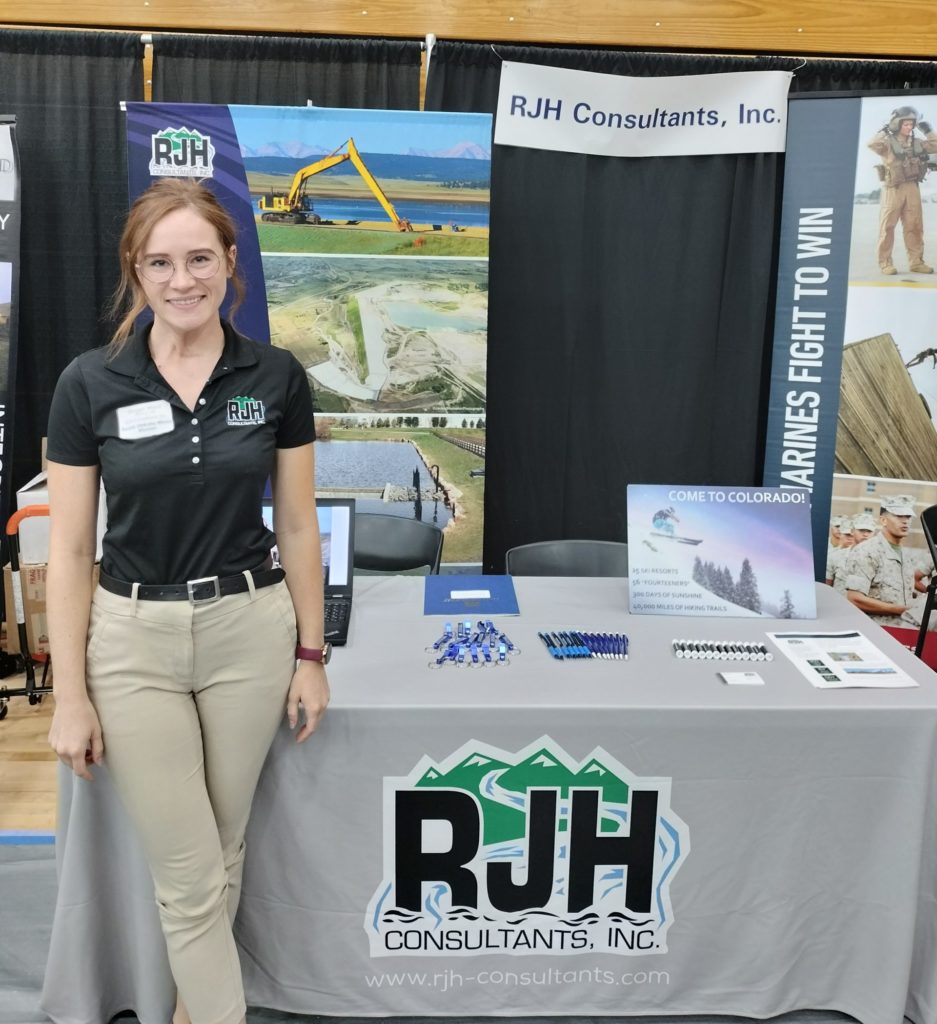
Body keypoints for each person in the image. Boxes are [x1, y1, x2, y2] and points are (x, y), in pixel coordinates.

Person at [45, 178, 330, 1024]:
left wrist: (311, 656)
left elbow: (302, 528)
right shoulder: (88, 385)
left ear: (231, 263)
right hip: (133, 644)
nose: (182, 280)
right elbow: (67, 552)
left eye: (199, 258)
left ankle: (187, 1009)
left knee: (222, 851)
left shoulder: (275, 377)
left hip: (251, 630)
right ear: (136, 272)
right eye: (159, 262)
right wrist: (67, 696)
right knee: (190, 875)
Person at [868, 106, 937, 275]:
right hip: (893, 189)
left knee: (914, 226)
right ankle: (885, 263)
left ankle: (916, 262)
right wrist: (884, 130)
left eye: (911, 124)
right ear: (897, 125)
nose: (909, 127)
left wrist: (928, 130)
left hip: (912, 187)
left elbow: (935, 146)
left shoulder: (918, 143)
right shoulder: (887, 144)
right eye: (905, 124)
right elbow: (872, 144)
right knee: (887, 227)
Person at [844, 495, 928, 625]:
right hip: (875, 630)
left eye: (908, 517)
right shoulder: (867, 551)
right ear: (883, 520)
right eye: (898, 516)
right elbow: (855, 598)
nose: (905, 521)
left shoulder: (906, 555)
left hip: (903, 630)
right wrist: (900, 610)